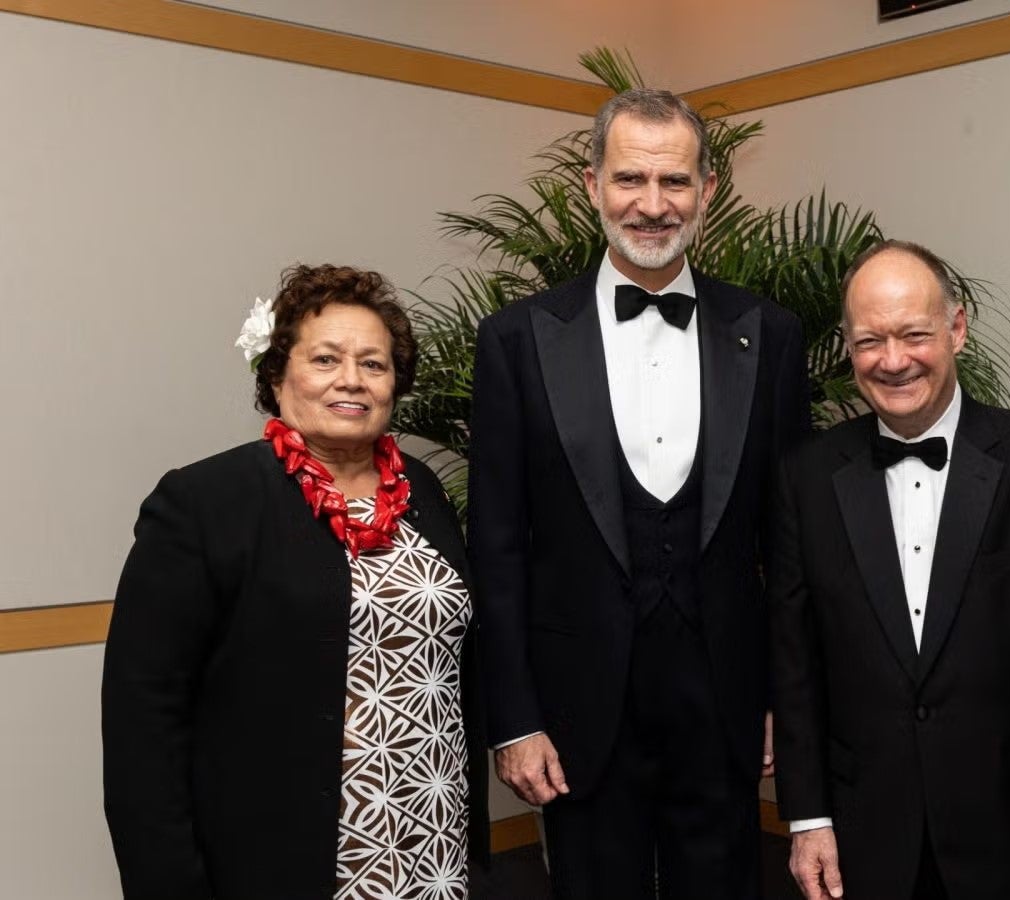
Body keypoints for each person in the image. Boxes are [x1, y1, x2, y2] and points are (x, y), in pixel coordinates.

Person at [468, 88, 809, 899]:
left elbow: (792, 543)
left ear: (708, 193)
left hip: (723, 702)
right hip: (578, 708)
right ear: (591, 186)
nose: (652, 206)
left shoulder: (770, 332)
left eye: (675, 183)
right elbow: (498, 544)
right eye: (630, 180)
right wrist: (514, 718)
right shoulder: (516, 341)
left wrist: (780, 700)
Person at [103, 264, 488, 899]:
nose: (352, 380)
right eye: (327, 359)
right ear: (278, 375)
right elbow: (142, 720)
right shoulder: (205, 502)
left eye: (374, 363)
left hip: (430, 834)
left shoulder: (420, 489)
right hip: (289, 853)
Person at [770, 240, 1010, 900]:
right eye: (870, 340)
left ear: (956, 329)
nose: (892, 361)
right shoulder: (805, 476)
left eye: (914, 334)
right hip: (863, 832)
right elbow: (795, 663)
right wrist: (809, 818)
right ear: (847, 345)